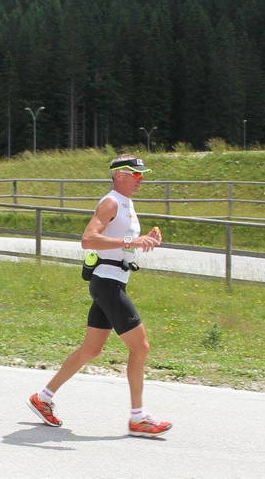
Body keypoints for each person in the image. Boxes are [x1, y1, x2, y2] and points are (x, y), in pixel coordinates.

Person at [26, 154, 171, 437]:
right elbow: (88, 239)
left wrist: (146, 240)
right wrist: (133, 240)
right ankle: (138, 418)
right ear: (119, 175)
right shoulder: (111, 202)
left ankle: (43, 397)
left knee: (91, 350)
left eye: (142, 174)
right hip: (107, 283)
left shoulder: (126, 203)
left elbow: (121, 243)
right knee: (140, 347)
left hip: (113, 281)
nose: (141, 179)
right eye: (136, 174)